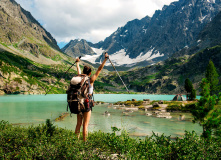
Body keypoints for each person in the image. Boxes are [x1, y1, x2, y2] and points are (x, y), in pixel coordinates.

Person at [75, 52, 109, 141]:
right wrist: (105, 59)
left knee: (78, 124)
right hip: (87, 103)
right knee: (85, 125)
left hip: (79, 102)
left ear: (83, 72)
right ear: (90, 73)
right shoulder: (91, 80)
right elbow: (99, 69)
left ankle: (74, 143)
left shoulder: (79, 78)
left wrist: (77, 63)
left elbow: (78, 71)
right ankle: (85, 144)